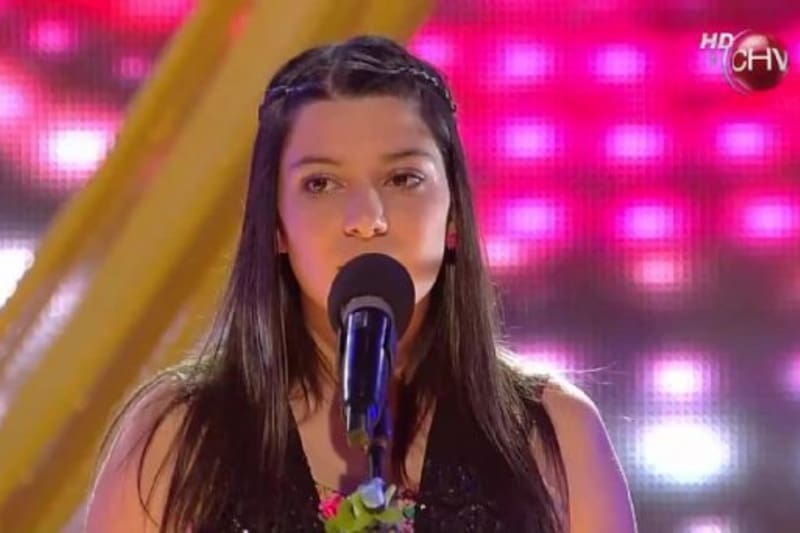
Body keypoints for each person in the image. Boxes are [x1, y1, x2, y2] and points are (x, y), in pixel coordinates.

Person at [86, 35, 637, 533]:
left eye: (403, 178)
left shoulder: (553, 433)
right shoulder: (176, 437)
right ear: (275, 223)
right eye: (321, 184)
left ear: (453, 216)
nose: (366, 218)